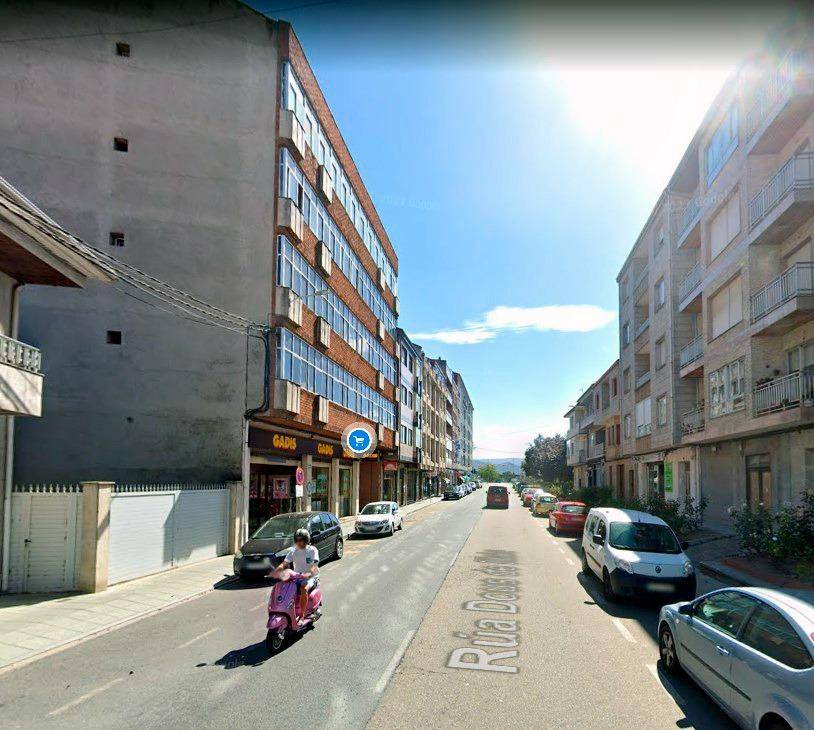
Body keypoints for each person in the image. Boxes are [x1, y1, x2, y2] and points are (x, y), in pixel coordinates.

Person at [275, 527, 319, 623]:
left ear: (306, 540)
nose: (298, 542)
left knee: (303, 588)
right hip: (297, 576)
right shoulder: (293, 551)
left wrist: (309, 573)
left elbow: (314, 565)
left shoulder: (312, 550)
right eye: (297, 540)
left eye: (301, 540)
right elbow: (285, 563)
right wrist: (276, 571)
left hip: (311, 577)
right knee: (285, 588)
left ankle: (302, 615)